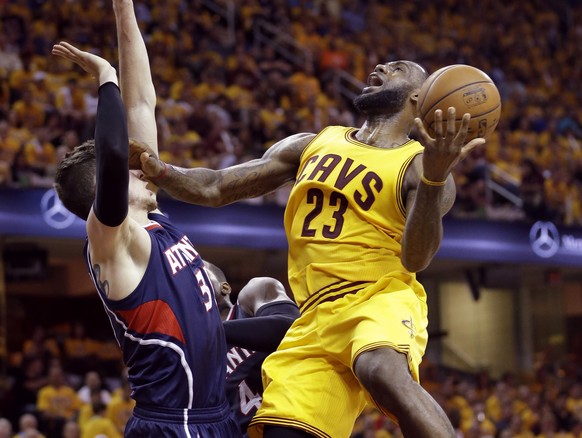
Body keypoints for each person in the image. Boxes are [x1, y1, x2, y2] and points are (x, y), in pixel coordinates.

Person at [130, 59, 485, 437]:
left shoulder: (419, 166)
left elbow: (416, 258)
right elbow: (216, 186)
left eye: (397, 68)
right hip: (314, 316)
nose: (381, 65)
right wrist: (162, 172)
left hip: (378, 297)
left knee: (379, 367)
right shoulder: (314, 143)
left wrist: (433, 178)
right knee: (283, 431)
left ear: (419, 96)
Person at [51, 1, 239, 436]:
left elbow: (140, 103)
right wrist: (105, 76)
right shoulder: (112, 240)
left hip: (213, 416)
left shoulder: (153, 218)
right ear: (107, 188)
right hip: (173, 425)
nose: (143, 168)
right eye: (129, 172)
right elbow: (117, 151)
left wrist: (123, 10)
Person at [203, 262, 299, 436]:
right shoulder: (191, 356)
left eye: (195, 273)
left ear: (224, 287)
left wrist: (211, 330)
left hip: (289, 422)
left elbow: (295, 329)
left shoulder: (254, 294)